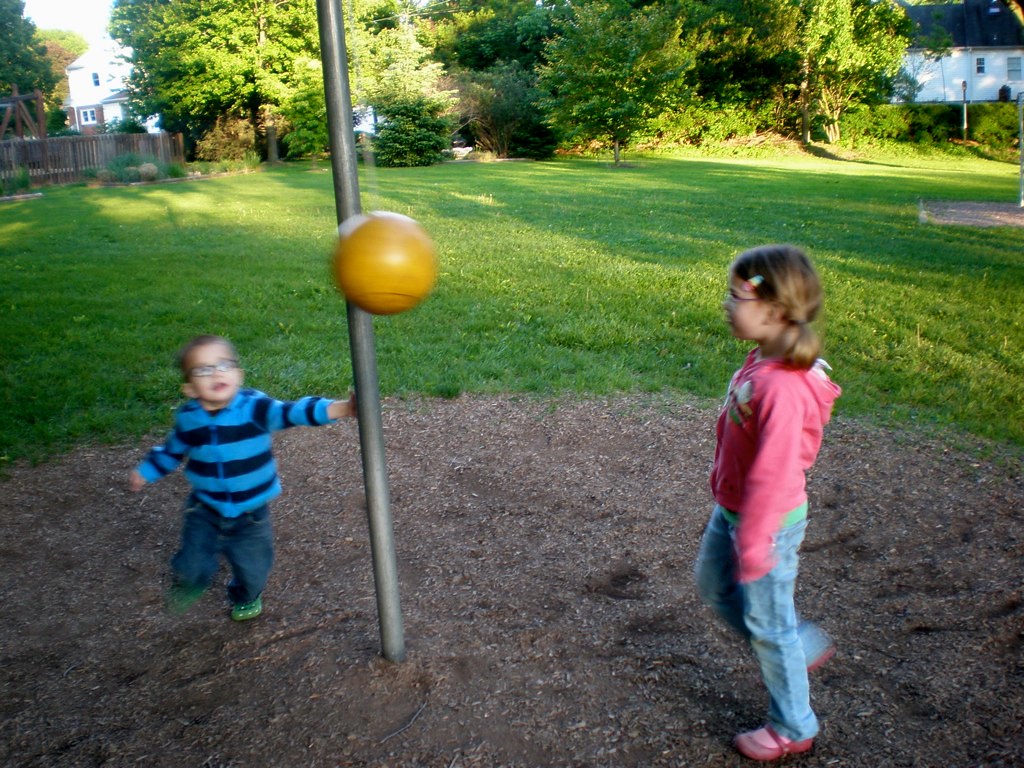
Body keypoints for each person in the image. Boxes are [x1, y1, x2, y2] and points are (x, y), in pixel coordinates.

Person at [694, 245, 841, 761]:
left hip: (767, 525)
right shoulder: (764, 358)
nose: (726, 305)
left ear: (775, 311)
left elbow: (775, 475)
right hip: (736, 510)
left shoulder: (783, 388)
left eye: (736, 297)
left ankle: (793, 726)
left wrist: (756, 544)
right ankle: (794, 644)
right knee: (713, 586)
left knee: (769, 627)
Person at [129, 334, 356, 622]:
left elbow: (292, 412)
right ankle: (191, 581)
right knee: (192, 562)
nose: (217, 373)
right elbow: (172, 451)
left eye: (224, 365)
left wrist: (341, 408)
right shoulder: (189, 418)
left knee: (254, 569)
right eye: (203, 369)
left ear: (239, 374)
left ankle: (246, 596)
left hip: (252, 514)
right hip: (205, 507)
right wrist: (146, 471)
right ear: (189, 388)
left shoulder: (254, 408)